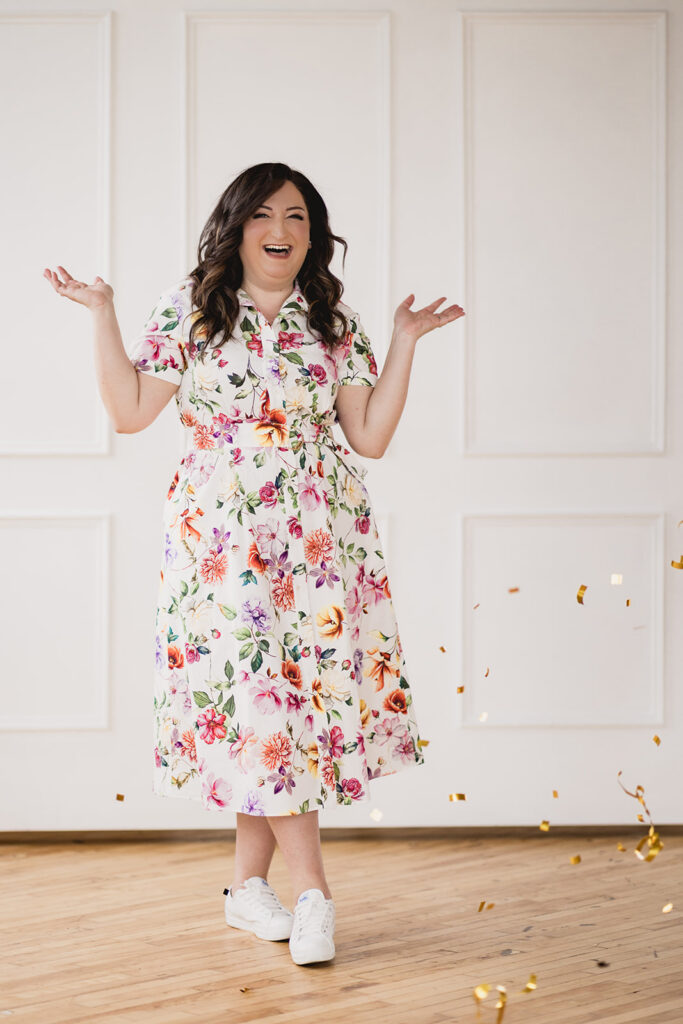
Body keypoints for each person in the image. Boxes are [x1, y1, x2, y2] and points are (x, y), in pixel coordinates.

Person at [44, 161, 465, 966]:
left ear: (314, 234)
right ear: (236, 229)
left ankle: (247, 890)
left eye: (298, 216)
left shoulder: (333, 323)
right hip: (222, 542)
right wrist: (101, 313)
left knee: (282, 711)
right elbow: (132, 412)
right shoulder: (192, 312)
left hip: (319, 539)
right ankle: (313, 894)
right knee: (263, 707)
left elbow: (369, 436)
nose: (282, 229)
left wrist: (406, 342)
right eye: (265, 214)